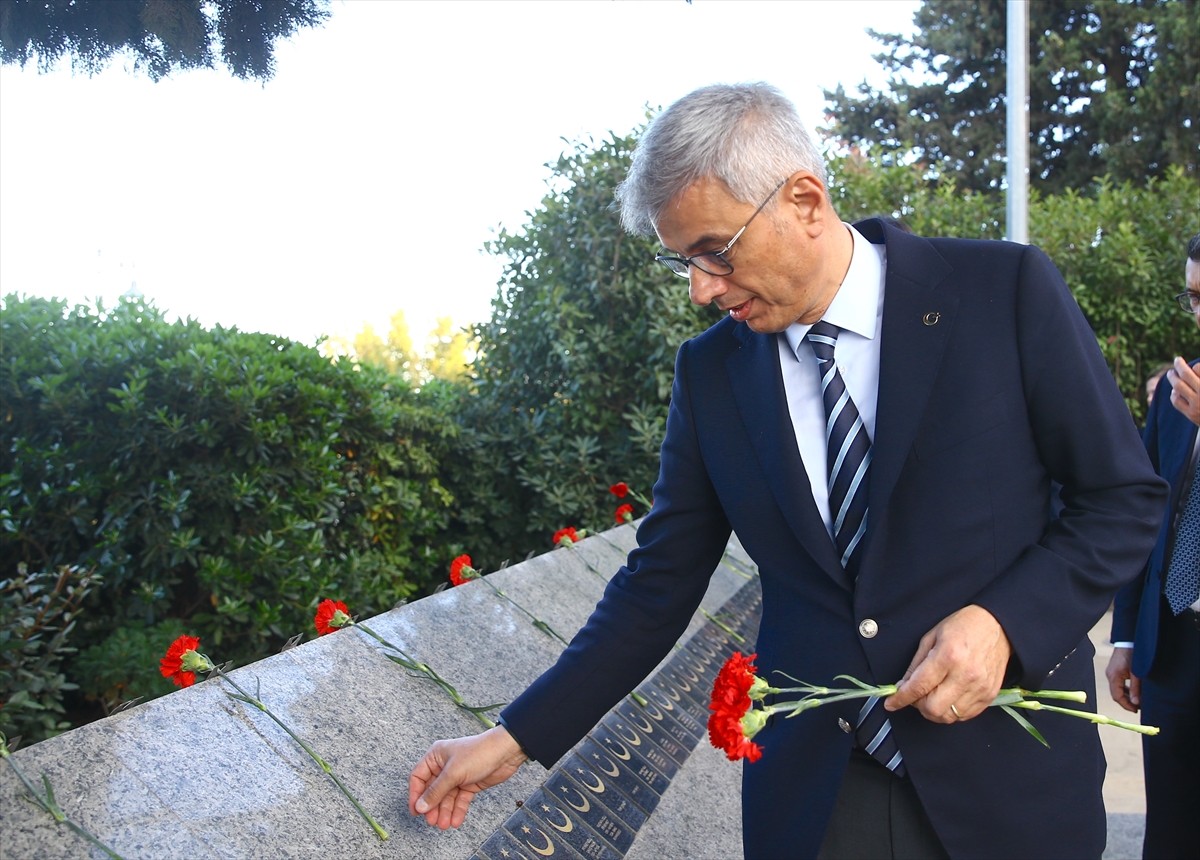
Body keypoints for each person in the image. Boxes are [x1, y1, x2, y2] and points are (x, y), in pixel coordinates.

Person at [408, 83, 1166, 859]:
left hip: (1011, 790)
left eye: (715, 251)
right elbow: (657, 584)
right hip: (820, 799)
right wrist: (515, 738)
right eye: (684, 263)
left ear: (804, 198)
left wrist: (1005, 622)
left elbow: (1123, 500)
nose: (703, 289)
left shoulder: (1002, 292)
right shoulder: (710, 376)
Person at [1106, 232, 1200, 859]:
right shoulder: (1178, 393)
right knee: (1169, 832)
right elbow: (1146, 517)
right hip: (1174, 648)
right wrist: (1125, 638)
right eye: (1195, 297)